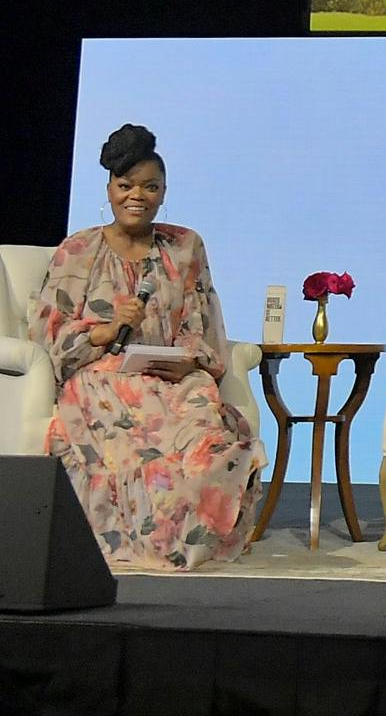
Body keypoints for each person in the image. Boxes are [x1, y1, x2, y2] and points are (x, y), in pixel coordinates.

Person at [31, 124, 263, 570]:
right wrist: (102, 331)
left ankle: (202, 516)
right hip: (101, 376)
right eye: (126, 185)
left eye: (150, 187)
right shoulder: (77, 250)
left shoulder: (184, 246)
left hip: (170, 372)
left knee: (203, 419)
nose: (137, 195)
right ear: (110, 189)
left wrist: (191, 358)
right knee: (138, 421)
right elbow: (46, 337)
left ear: (163, 192)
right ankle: (153, 535)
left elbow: (202, 320)